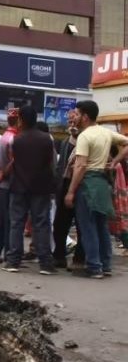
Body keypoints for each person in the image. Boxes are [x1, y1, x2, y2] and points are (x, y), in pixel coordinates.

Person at [65, 101, 128, 278]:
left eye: (77, 114)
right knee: (101, 227)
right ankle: (105, 265)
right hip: (102, 183)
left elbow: (80, 166)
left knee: (87, 228)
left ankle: (94, 267)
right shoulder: (105, 132)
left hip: (87, 183)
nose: (74, 117)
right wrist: (115, 161)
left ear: (85, 117)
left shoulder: (85, 136)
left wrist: (70, 191)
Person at [0, 106, 57, 274]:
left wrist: (3, 174)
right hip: (41, 187)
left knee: (16, 224)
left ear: (21, 120)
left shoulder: (17, 140)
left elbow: (13, 163)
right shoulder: (47, 139)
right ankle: (46, 263)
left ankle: (13, 261)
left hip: (19, 187)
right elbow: (52, 164)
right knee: (41, 224)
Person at [52, 110, 85, 269]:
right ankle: (59, 256)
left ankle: (79, 258)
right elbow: (60, 167)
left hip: (82, 187)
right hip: (65, 187)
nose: (72, 125)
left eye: (75, 122)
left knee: (82, 225)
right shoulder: (65, 142)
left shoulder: (87, 140)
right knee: (60, 225)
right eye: (70, 122)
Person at [0, 108, 19, 263]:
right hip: (10, 183)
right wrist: (3, 174)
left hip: (4, 184)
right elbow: (14, 162)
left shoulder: (4, 137)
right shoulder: (13, 139)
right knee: (10, 220)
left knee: (3, 219)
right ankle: (9, 254)